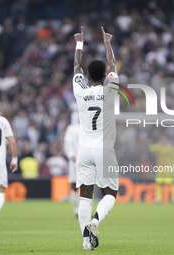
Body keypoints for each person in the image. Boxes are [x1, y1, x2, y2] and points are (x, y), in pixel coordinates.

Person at [73, 26, 119, 250]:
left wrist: (79, 43)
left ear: (89, 76)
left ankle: (85, 243)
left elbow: (75, 66)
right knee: (110, 193)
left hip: (84, 151)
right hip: (104, 150)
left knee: (84, 197)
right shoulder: (110, 90)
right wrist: (107, 43)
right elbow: (113, 65)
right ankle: (95, 221)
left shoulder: (80, 92)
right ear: (105, 76)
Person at [148, 135, 174, 203]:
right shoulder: (159, 146)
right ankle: (158, 198)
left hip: (168, 169)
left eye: (164, 139)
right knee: (159, 183)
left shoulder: (170, 147)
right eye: (161, 139)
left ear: (166, 139)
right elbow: (151, 148)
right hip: (160, 169)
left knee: (171, 183)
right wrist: (149, 143)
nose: (163, 140)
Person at [64, 112, 79, 218]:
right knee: (74, 184)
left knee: (88, 185)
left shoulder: (86, 127)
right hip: (74, 161)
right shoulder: (70, 129)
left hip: (86, 160)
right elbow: (67, 142)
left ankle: (87, 210)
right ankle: (76, 210)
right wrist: (71, 154)